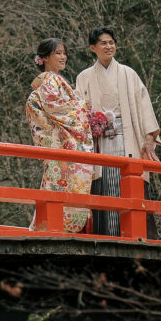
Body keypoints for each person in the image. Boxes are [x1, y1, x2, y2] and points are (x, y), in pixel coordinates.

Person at [76, 27, 161, 239]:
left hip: (127, 137)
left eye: (111, 42)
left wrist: (148, 138)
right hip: (100, 140)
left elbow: (144, 106)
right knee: (103, 185)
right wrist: (90, 120)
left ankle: (136, 236)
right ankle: (106, 236)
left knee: (130, 184)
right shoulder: (84, 77)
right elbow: (77, 111)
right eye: (103, 43)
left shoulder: (128, 74)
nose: (109, 46)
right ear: (93, 47)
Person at [25, 38, 97, 233]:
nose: (63, 57)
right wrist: (83, 106)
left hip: (56, 144)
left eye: (64, 53)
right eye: (58, 53)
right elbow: (56, 107)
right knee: (60, 184)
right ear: (46, 57)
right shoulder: (51, 80)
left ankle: (46, 226)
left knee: (55, 183)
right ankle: (57, 227)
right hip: (61, 145)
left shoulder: (50, 80)